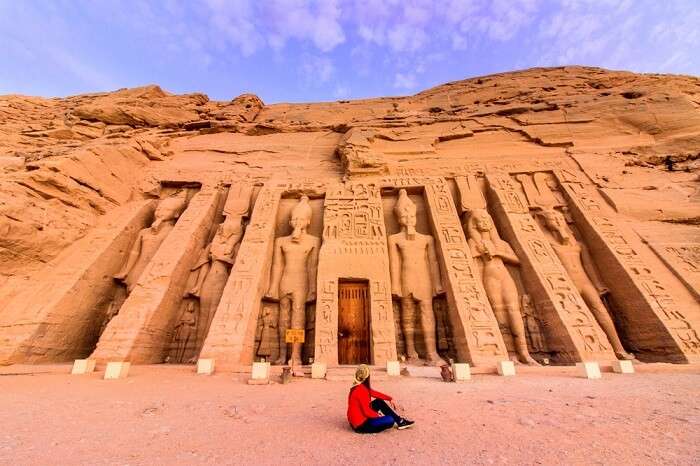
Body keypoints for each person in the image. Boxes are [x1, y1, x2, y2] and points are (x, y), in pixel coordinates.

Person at [347, 365, 414, 433]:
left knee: (378, 402)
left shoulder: (357, 385)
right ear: (367, 377)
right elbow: (367, 412)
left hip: (354, 421)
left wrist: (390, 398)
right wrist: (378, 415)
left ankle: (400, 421)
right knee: (390, 420)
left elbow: (374, 393)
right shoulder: (361, 390)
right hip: (361, 425)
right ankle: (399, 421)